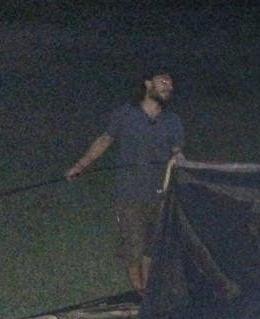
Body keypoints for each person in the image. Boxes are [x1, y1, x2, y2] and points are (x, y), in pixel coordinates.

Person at [66, 70, 184, 295]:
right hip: (130, 194)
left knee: (153, 246)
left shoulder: (172, 120)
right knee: (133, 247)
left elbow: (177, 153)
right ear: (148, 84)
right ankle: (137, 289)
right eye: (163, 80)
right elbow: (105, 140)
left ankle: (146, 294)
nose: (168, 85)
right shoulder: (125, 114)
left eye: (171, 82)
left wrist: (187, 169)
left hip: (161, 193)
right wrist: (80, 165)